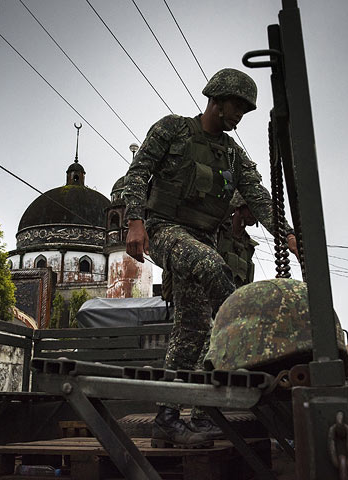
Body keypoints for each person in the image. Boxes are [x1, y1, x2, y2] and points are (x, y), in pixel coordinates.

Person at [123, 68, 298, 446]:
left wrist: (288, 235)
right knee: (210, 267)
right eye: (235, 106)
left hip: (202, 237)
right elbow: (138, 173)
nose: (238, 115)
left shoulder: (234, 157)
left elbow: (259, 199)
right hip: (164, 229)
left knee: (192, 332)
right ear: (216, 98)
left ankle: (169, 420)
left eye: (244, 111)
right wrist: (135, 221)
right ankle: (245, 332)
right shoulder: (173, 130)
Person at [216, 192, 258, 288]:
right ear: (239, 207)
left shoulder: (248, 245)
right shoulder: (218, 229)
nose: (254, 215)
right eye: (251, 209)